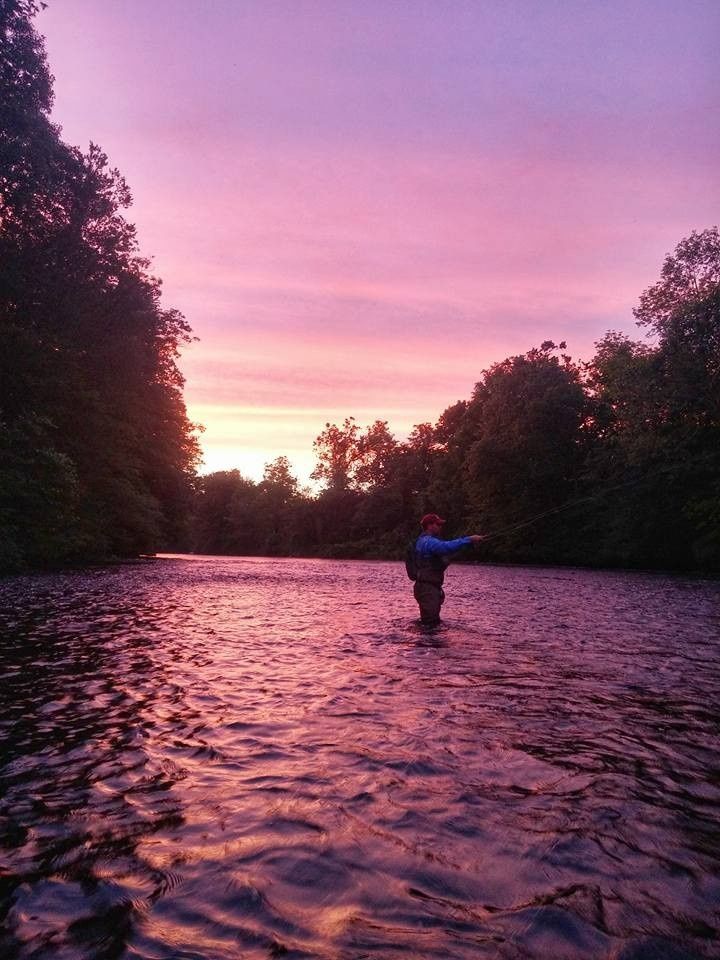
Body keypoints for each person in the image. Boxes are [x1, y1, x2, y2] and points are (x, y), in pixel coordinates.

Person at [413, 513, 484, 625]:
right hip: (428, 589)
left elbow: (447, 551)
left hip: (427, 587)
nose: (440, 527)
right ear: (430, 526)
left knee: (429, 623)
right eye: (438, 524)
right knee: (430, 624)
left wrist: (468, 544)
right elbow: (446, 547)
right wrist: (469, 539)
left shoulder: (423, 541)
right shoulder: (428, 541)